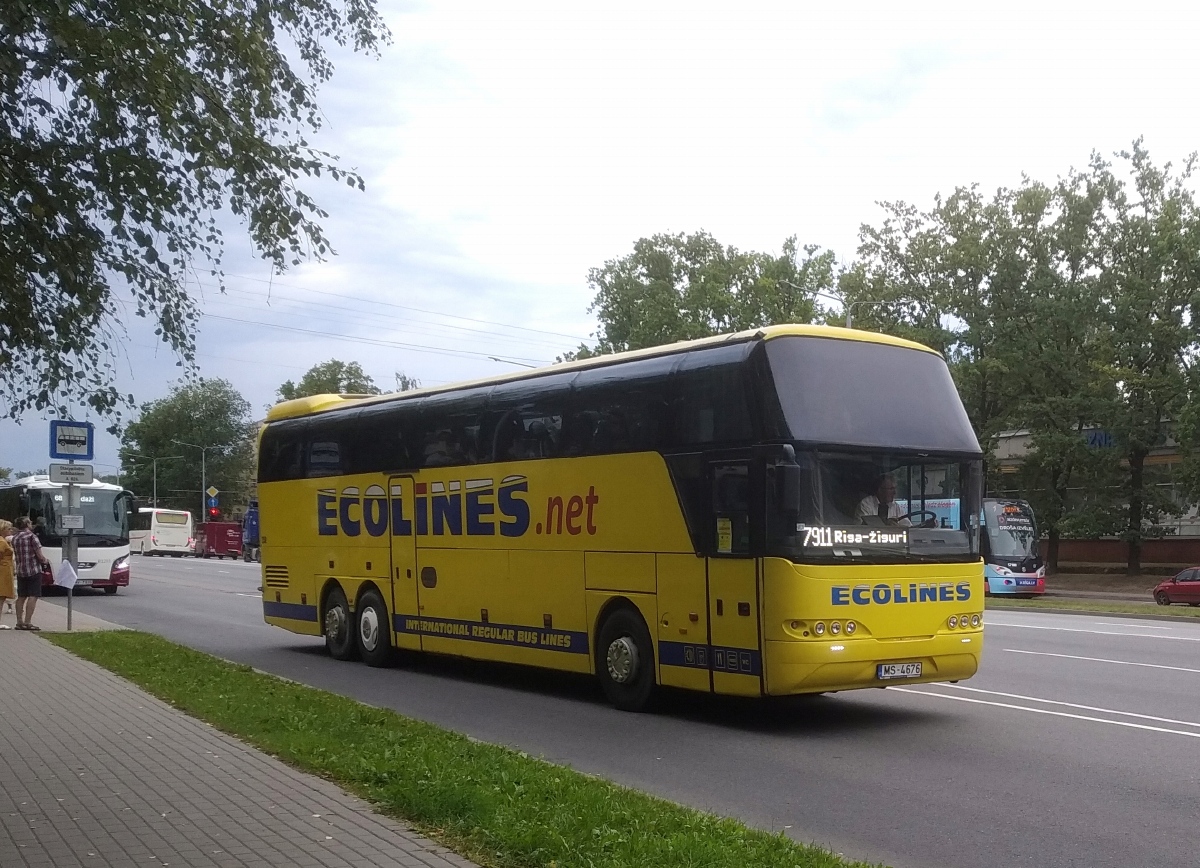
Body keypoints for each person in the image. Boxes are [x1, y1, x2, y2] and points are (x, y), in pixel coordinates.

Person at [11, 517, 50, 631]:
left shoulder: (15, 538)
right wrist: (45, 560)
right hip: (33, 570)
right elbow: (39, 555)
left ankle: (19, 621)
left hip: (21, 570)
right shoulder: (32, 537)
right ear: (27, 524)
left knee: (21, 596)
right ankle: (28, 622)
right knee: (33, 596)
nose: (31, 523)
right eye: (30, 522)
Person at [858, 475, 937, 528]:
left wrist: (924, 526)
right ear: (880, 490)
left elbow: (909, 528)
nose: (895, 493)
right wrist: (884, 523)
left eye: (895, 489)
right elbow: (860, 529)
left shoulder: (895, 506)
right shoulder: (866, 504)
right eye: (891, 489)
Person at [0, 520, 14, 629]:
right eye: (9, 529)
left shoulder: (4, 541)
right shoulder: (1, 541)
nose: (11, 531)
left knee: (2, 597)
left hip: (5, 569)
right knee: (1, 596)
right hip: (2, 570)